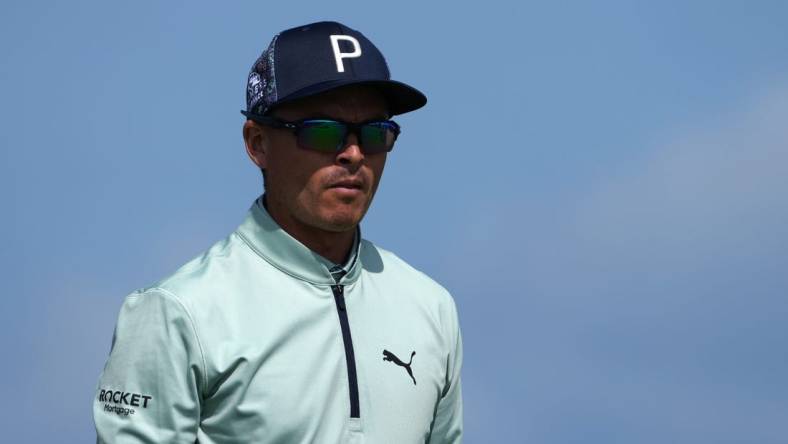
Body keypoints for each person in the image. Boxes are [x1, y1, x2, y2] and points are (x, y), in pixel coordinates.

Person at [93, 20, 463, 443]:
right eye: (322, 131)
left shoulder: (432, 308)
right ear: (257, 143)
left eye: (376, 133)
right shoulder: (177, 312)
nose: (354, 154)